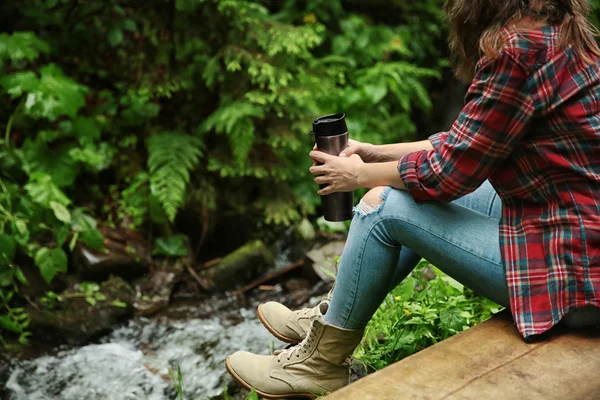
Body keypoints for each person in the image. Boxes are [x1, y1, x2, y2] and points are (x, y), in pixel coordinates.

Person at [226, 0, 600, 398]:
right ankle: (331, 317)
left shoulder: (517, 48)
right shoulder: (553, 26)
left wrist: (359, 175)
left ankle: (317, 365)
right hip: (574, 233)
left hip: (573, 281)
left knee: (386, 205)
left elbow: (449, 173)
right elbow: (469, 144)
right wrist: (377, 152)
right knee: (424, 188)